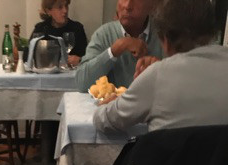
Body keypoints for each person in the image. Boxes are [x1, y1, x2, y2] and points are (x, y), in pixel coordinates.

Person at [93, 0, 228, 134]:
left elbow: (103, 120)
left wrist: (111, 104)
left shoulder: (158, 76)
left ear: (165, 41)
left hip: (168, 149)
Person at [75, 0, 163, 91]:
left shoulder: (164, 35)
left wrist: (162, 70)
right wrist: (114, 51)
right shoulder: (104, 34)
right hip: (114, 100)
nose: (127, 6)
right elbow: (82, 82)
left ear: (152, 5)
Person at [30, 0, 87, 66]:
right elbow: (29, 54)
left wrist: (79, 59)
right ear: (48, 11)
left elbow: (87, 58)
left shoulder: (76, 28)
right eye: (60, 7)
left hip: (71, 71)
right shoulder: (41, 28)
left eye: (66, 6)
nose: (65, 11)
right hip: (46, 71)